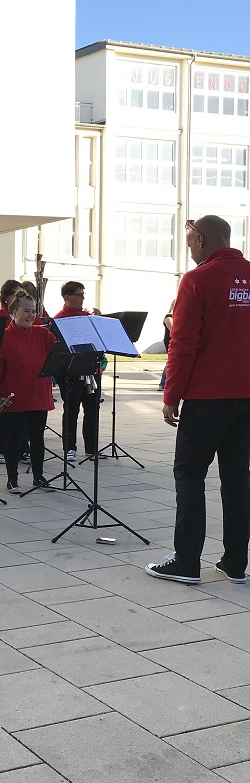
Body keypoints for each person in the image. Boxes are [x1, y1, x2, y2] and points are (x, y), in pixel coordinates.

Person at [147, 215, 250, 585]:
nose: (189, 248)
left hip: (207, 397)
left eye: (190, 240)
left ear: (202, 239)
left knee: (189, 474)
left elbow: (183, 343)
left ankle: (187, 561)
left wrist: (171, 395)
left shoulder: (197, 279)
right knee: (237, 477)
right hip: (246, 397)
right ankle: (235, 562)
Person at [0, 290, 56, 494]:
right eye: (26, 311)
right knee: (14, 439)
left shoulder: (43, 334)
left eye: (33, 311)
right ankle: (12, 479)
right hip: (14, 398)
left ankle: (38, 476)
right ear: (14, 312)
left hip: (39, 396)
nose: (30, 315)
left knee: (37, 438)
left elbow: (59, 353)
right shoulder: (4, 337)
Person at [53, 281, 101, 462]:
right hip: (70, 371)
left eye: (83, 294)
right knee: (71, 409)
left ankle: (91, 447)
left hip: (90, 369)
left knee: (92, 408)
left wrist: (99, 322)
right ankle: (69, 448)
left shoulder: (87, 317)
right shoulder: (60, 319)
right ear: (67, 297)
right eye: (79, 295)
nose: (82, 298)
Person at [0, 280, 22, 462]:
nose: (18, 298)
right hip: (4, 369)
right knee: (5, 410)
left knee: (24, 411)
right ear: (6, 297)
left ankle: (23, 448)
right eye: (15, 294)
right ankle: (1, 449)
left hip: (23, 369)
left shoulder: (27, 314)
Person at [158, 300, 175, 391]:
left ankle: (165, 383)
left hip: (175, 340)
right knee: (170, 361)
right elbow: (173, 330)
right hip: (170, 341)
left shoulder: (177, 316)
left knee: (172, 361)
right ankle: (163, 383)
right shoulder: (169, 317)